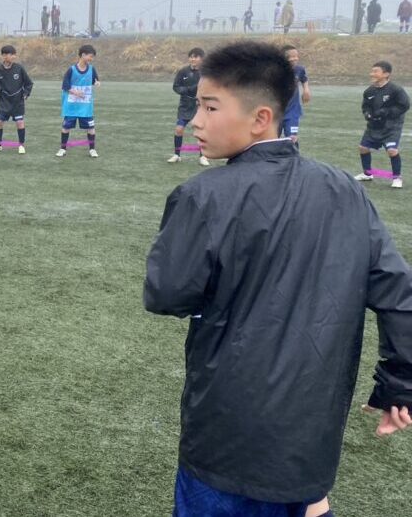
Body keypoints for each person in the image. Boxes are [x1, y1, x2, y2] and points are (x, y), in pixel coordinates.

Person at [144, 40, 412, 517]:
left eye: (210, 107)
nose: (196, 121)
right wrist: (400, 385)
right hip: (312, 427)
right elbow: (399, 294)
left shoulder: (203, 195)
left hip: (228, 429)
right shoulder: (345, 190)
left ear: (261, 117)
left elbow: (166, 294)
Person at [354, 60, 409, 189]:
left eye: (375, 71)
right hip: (374, 126)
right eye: (372, 71)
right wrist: (367, 114)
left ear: (386, 74)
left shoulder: (396, 90)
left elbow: (404, 105)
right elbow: (366, 106)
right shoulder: (369, 91)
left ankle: (396, 178)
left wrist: (386, 112)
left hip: (391, 126)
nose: (372, 74)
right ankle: (367, 173)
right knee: (363, 148)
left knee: (392, 151)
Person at [167, 48, 210, 166]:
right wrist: (187, 90)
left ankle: (203, 156)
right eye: (191, 57)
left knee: (202, 131)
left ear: (202, 59)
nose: (192, 59)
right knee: (179, 129)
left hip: (200, 106)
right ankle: (177, 155)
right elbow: (176, 87)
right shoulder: (183, 71)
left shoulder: (206, 73)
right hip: (185, 105)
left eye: (195, 57)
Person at [56, 45, 100, 158]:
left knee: (91, 128)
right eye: (90, 56)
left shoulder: (92, 69)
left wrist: (97, 83)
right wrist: (76, 92)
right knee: (66, 127)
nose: (91, 59)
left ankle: (92, 149)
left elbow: (95, 80)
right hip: (72, 106)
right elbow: (65, 86)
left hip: (86, 106)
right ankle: (62, 149)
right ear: (83, 55)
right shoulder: (71, 70)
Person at [0, 45, 33, 154]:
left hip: (17, 101)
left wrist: (26, 93)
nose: (13, 56)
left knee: (20, 122)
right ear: (4, 56)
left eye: (13, 54)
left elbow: (29, 83)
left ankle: (21, 145)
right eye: (10, 54)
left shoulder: (19, 68)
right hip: (4, 101)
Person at [280, 45, 311, 145]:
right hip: (276, 113)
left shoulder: (299, 69)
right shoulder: (275, 71)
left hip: (292, 112)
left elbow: (304, 79)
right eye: (292, 56)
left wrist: (306, 90)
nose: (295, 59)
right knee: (271, 139)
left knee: (292, 139)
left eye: (296, 56)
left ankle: (293, 154)